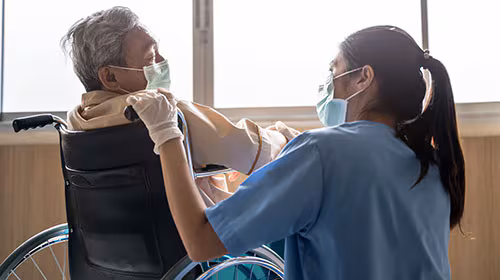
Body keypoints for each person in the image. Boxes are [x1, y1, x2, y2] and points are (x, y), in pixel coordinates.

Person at [127, 25, 466, 279]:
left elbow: (200, 243)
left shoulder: (322, 151)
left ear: (364, 77)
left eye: (334, 70)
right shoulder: (432, 164)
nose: (328, 82)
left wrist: (167, 134)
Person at [61, 6, 300, 204]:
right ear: (110, 77)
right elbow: (253, 152)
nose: (163, 62)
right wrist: (281, 133)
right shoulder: (166, 116)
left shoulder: (77, 122)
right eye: (151, 57)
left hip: (115, 254)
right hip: (204, 252)